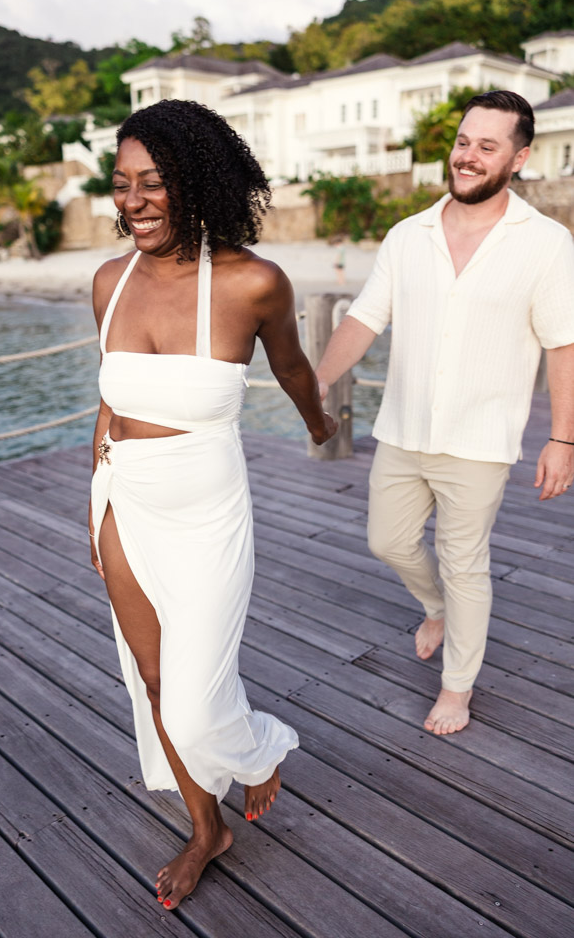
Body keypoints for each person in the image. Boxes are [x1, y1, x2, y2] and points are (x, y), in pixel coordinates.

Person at [88, 99, 336, 910]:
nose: (133, 202)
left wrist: (318, 422)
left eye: (153, 183)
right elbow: (109, 400)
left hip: (205, 515)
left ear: (196, 183)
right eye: (122, 185)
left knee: (197, 710)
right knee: (154, 685)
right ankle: (207, 829)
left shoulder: (252, 281)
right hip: (124, 500)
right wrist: (95, 500)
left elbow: (293, 367)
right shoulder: (107, 281)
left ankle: (260, 747)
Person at [316, 90, 574, 736]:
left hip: (481, 440)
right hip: (402, 429)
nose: (467, 156)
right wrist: (312, 381)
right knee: (387, 540)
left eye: (486, 147)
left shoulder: (546, 244)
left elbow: (562, 345)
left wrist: (562, 439)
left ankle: (456, 688)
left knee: (466, 564)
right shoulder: (408, 236)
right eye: (463, 141)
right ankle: (433, 608)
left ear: (517, 159)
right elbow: (362, 320)